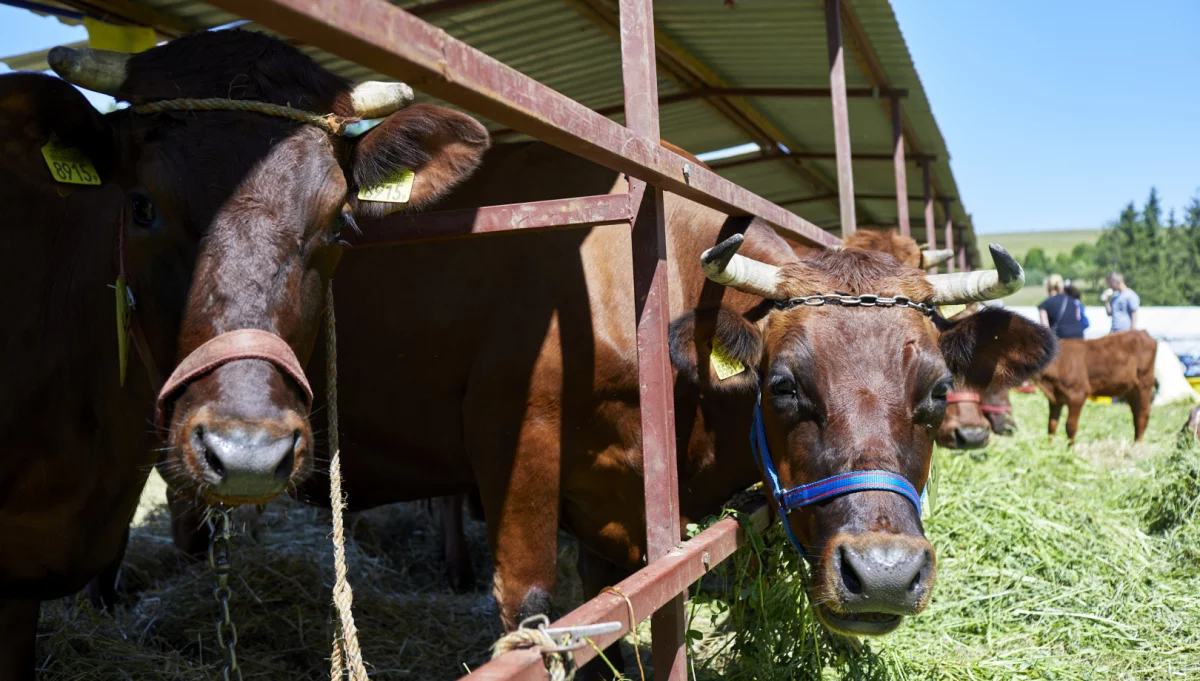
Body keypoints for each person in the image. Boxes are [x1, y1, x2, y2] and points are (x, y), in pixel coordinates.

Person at [1038, 273, 1085, 339]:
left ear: (1048, 287)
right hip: (1079, 337)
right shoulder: (1072, 300)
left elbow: (1045, 330)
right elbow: (1078, 318)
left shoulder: (1044, 305)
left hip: (1062, 340)